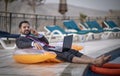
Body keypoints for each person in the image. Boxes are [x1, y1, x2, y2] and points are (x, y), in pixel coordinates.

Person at [16, 21, 111, 66]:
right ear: (20, 29)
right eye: (24, 27)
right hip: (46, 51)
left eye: (28, 27)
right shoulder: (20, 39)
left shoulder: (33, 36)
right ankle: (94, 62)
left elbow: (46, 42)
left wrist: (38, 35)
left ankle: (95, 59)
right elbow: (21, 45)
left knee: (72, 50)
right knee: (66, 54)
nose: (27, 28)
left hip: (50, 47)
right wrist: (33, 43)